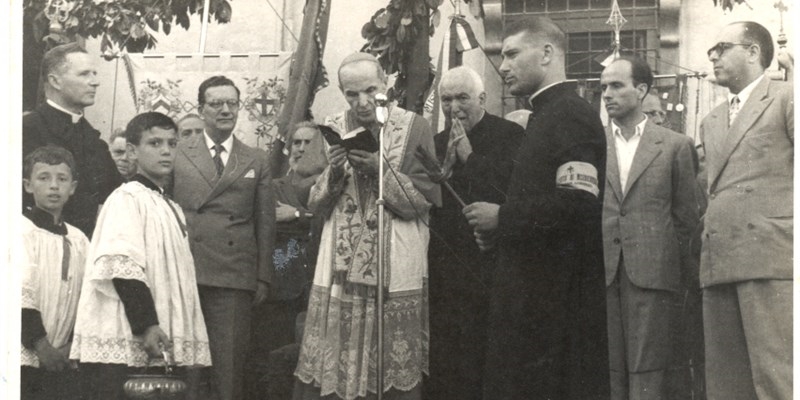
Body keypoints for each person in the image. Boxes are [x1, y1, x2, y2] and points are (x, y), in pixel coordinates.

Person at [462, 16, 609, 399]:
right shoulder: (547, 114)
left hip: (552, 303)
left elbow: (578, 204)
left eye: (512, 54)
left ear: (546, 53)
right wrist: (500, 232)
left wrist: (502, 217)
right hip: (534, 296)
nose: (503, 66)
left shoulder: (570, 115)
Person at [293, 52, 441, 400]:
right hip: (339, 264)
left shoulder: (415, 126)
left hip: (395, 256)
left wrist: (380, 169)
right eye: (351, 94)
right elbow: (311, 200)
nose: (361, 102)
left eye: (371, 91)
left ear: (385, 83)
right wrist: (334, 171)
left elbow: (423, 201)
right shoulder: (331, 127)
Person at [69, 112, 212, 399]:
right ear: (132, 151)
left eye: (171, 143)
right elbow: (123, 266)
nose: (166, 151)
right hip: (131, 331)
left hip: (158, 330)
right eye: (155, 143)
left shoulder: (168, 205)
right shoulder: (127, 198)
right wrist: (146, 325)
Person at [699, 21, 793, 399]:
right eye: (711, 51)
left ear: (753, 52)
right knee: (727, 385)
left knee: (777, 379)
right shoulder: (710, 121)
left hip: (769, 257)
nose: (713, 57)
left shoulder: (787, 97)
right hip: (718, 261)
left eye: (722, 48)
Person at [599, 55, 700, 400]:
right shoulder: (593, 144)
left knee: (651, 371)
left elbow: (686, 221)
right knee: (608, 367)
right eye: (603, 87)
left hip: (654, 277)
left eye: (617, 85)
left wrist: (678, 277)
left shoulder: (675, 146)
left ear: (641, 90)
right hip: (603, 273)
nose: (607, 94)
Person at [172, 76, 276, 400]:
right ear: (201, 109)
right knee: (186, 367)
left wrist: (262, 276)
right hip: (186, 270)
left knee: (228, 370)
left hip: (233, 276)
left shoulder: (256, 158)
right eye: (216, 104)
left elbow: (265, 221)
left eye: (232, 103)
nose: (226, 110)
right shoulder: (178, 153)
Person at [425, 66, 524, 400]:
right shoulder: (435, 143)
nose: (454, 108)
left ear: (482, 99)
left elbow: (513, 191)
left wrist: (470, 158)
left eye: (462, 98)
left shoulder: (510, 135)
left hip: (489, 266)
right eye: (446, 99)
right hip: (445, 269)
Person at [247, 121, 328, 399]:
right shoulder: (273, 187)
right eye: (297, 142)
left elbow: (330, 223)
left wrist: (296, 216)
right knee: (274, 363)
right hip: (281, 290)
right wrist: (306, 220)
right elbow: (268, 224)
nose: (301, 149)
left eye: (309, 143)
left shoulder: (335, 187)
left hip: (321, 288)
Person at [23, 42, 123, 237]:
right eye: (84, 74)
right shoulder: (27, 130)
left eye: (94, 74)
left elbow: (114, 192)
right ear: (55, 81)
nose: (95, 82)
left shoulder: (92, 138)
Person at [20, 146, 89, 400]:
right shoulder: (20, 231)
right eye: (44, 178)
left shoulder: (79, 239)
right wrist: (40, 346)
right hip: (25, 354)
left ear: (72, 187)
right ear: (28, 185)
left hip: (63, 356)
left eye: (62, 179)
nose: (53, 186)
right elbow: (18, 294)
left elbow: (88, 298)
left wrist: (71, 346)